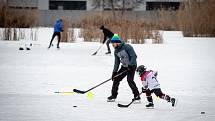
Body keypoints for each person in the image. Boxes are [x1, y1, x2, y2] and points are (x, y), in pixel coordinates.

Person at [107, 34, 140, 102]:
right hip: (124, 66)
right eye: (112, 44)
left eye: (113, 43)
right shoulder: (116, 51)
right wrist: (114, 72)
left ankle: (137, 96)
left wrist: (130, 66)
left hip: (132, 66)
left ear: (117, 42)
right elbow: (117, 62)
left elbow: (134, 56)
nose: (112, 45)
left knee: (130, 80)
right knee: (116, 78)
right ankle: (113, 95)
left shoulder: (127, 47)